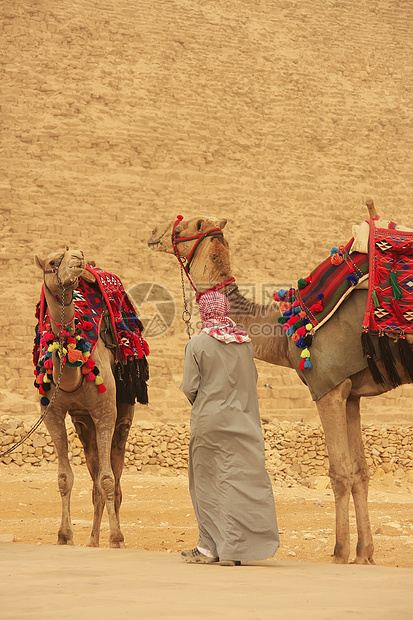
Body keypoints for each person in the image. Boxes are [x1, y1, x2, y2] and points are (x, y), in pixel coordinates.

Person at [179, 290, 279, 566]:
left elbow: (190, 387)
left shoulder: (197, 344)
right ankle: (238, 548)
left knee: (207, 484)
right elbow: (251, 382)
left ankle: (209, 548)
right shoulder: (245, 344)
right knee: (241, 483)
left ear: (204, 313)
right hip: (244, 422)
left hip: (209, 423)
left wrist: (205, 404)